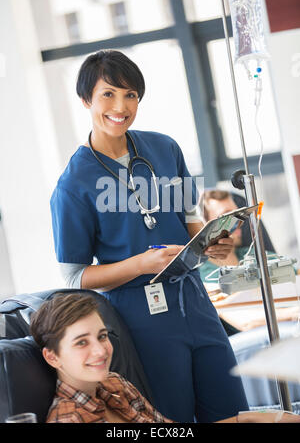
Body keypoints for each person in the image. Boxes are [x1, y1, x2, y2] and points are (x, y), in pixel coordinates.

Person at [50, 49, 249, 423]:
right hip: (139, 316)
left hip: (194, 298)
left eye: (131, 95)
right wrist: (140, 263)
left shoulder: (164, 148)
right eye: (108, 94)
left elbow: (192, 220)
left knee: (231, 410)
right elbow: (75, 276)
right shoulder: (73, 185)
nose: (121, 106)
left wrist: (212, 242)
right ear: (85, 100)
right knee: (169, 418)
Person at [30, 293, 300, 424]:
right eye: (81, 343)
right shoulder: (69, 420)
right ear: (52, 357)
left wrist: (251, 420)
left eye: (102, 336)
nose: (101, 351)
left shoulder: (114, 384)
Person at [199, 189, 300, 332]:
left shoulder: (254, 254)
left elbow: (296, 274)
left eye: (238, 214)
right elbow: (246, 321)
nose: (239, 222)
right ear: (205, 226)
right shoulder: (203, 276)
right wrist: (292, 313)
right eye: (227, 215)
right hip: (259, 336)